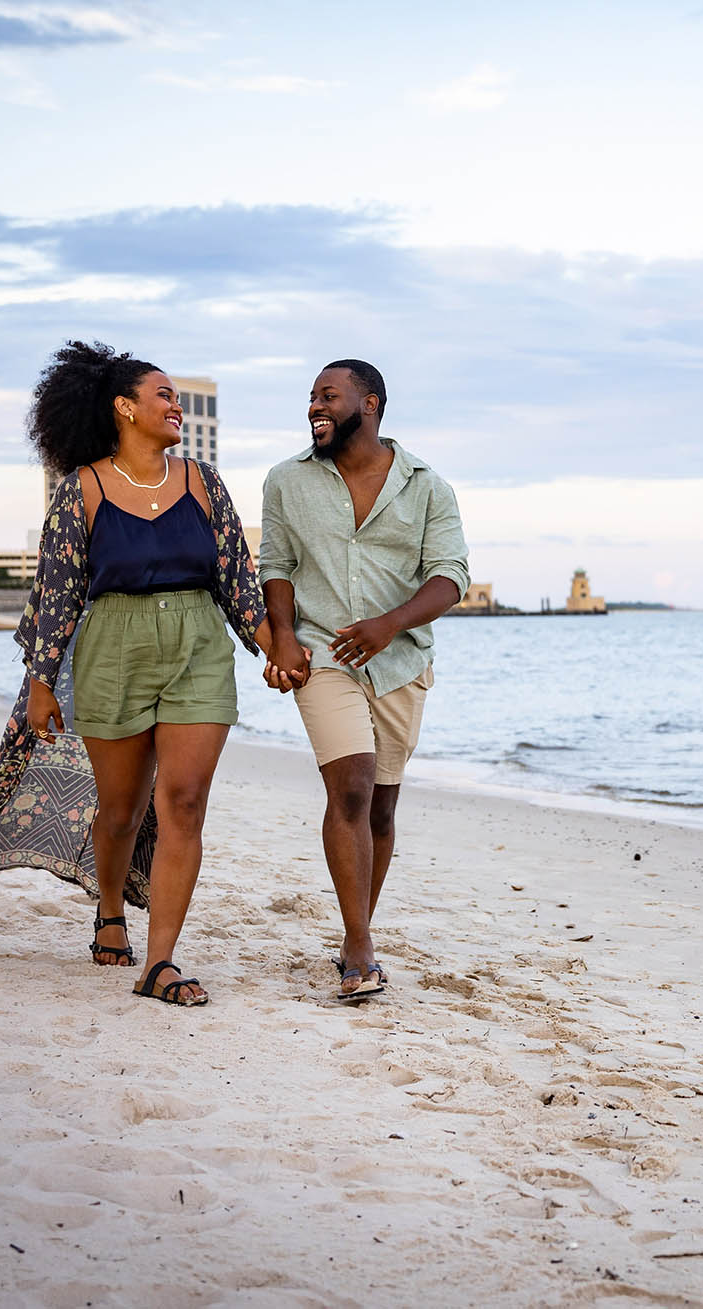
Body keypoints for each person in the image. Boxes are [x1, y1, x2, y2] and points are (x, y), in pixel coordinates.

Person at [0, 340, 289, 1008]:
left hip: (196, 647)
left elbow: (238, 580)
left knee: (182, 801)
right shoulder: (83, 490)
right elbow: (58, 593)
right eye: (162, 394)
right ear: (124, 408)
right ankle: (108, 907)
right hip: (112, 650)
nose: (174, 405)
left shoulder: (203, 482)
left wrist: (273, 645)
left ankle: (160, 962)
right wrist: (41, 683)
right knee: (122, 811)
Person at [258, 359, 469, 1001]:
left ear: (369, 404)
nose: (315, 407)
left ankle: (357, 925)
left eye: (329, 396)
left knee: (380, 805)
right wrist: (285, 636)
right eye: (312, 398)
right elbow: (276, 563)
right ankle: (358, 945)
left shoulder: (428, 487)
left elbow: (451, 575)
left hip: (402, 660)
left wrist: (391, 624)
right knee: (348, 788)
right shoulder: (286, 481)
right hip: (324, 654)